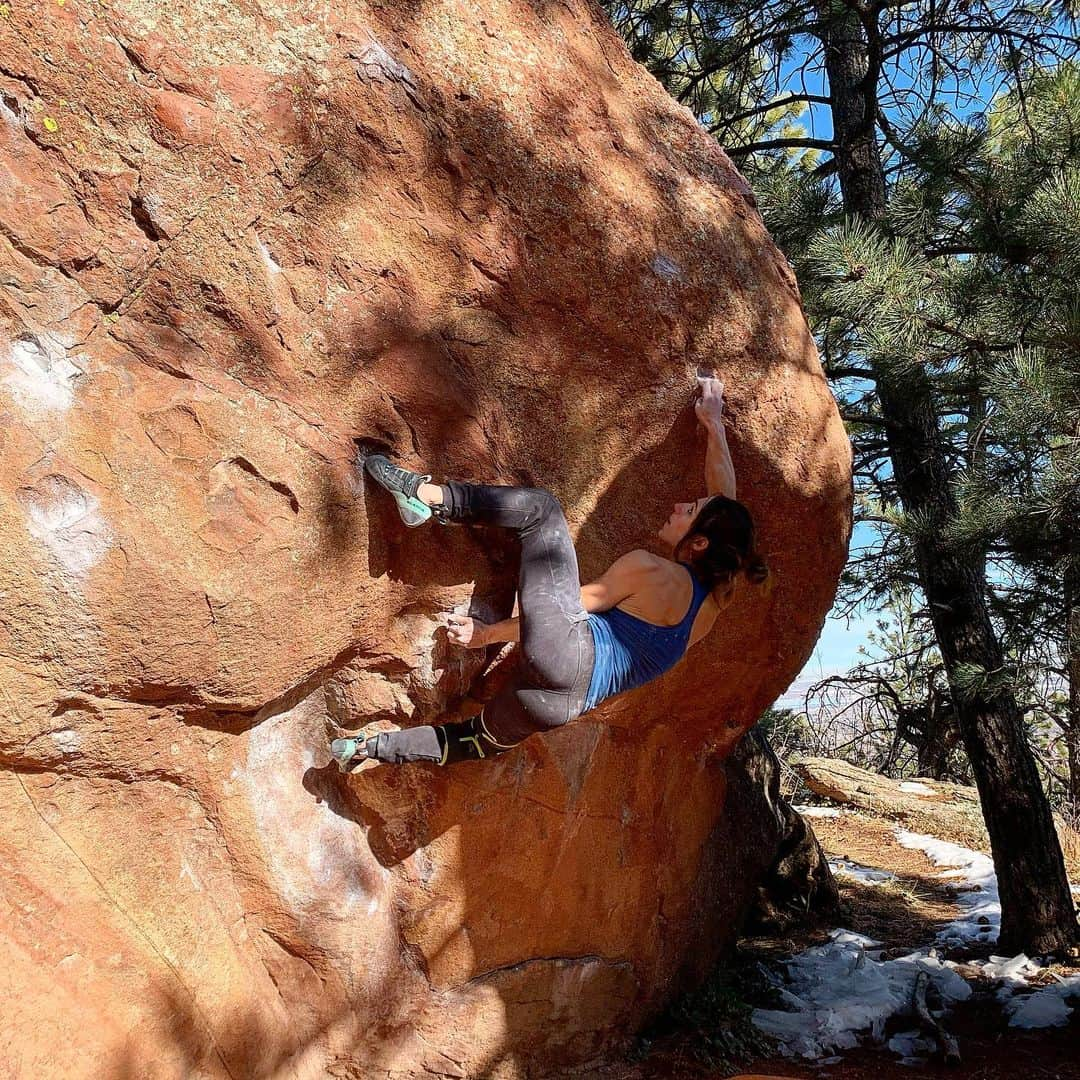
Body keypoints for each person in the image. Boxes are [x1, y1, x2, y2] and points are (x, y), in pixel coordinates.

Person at [330, 377, 769, 770]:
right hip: (561, 704)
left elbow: (563, 613)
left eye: (689, 510)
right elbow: (722, 498)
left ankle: (424, 495)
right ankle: (369, 750)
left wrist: (487, 635)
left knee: (542, 512)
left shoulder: (649, 569)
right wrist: (714, 424)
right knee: (474, 741)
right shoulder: (710, 608)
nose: (679, 506)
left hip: (567, 652)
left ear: (699, 543)